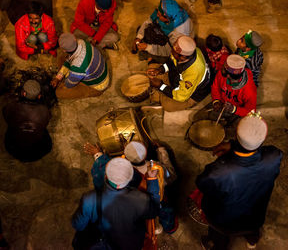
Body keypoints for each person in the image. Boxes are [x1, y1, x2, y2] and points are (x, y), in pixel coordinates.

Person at [196, 112, 282, 249]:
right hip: (255, 216)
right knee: (252, 229)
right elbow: (259, 152)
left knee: (219, 236)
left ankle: (218, 246)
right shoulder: (274, 156)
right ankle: (252, 241)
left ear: (236, 135)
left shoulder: (219, 171)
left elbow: (201, 183)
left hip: (224, 222)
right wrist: (233, 147)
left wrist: (231, 149)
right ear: (264, 138)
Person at [84, 140, 178, 235]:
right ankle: (170, 228)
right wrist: (161, 151)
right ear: (145, 156)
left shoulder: (110, 173)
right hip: (149, 210)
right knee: (164, 210)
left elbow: (101, 166)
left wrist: (98, 154)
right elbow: (172, 177)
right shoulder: (155, 169)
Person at [72, 157, 160, 250]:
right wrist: (152, 179)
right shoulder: (141, 199)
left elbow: (78, 225)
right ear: (129, 179)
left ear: (106, 176)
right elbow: (154, 211)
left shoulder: (89, 199)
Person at [147, 35, 210, 111]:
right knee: (152, 69)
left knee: (168, 106)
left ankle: (162, 93)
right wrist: (160, 70)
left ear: (182, 57)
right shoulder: (186, 52)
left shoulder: (194, 72)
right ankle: (163, 91)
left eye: (174, 52)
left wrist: (160, 86)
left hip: (191, 94)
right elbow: (171, 61)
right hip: (177, 79)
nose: (171, 52)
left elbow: (181, 96)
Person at [3, 80, 52, 162]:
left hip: (14, 150)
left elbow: (6, 117)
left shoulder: (11, 106)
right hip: (39, 151)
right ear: (39, 96)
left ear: (23, 93)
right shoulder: (45, 110)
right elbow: (47, 121)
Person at [51, 33, 110, 99]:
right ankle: (71, 77)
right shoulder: (81, 41)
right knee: (61, 58)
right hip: (97, 72)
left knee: (59, 93)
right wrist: (58, 77)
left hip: (98, 86)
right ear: (75, 39)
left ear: (64, 50)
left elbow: (69, 84)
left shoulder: (77, 67)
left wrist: (66, 76)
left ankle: (90, 90)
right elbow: (68, 60)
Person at [211, 54, 257, 124]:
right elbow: (215, 87)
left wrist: (234, 109)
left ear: (228, 75)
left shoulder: (249, 90)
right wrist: (216, 100)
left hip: (238, 111)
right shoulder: (221, 73)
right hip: (222, 104)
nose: (221, 69)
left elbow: (251, 112)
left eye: (223, 68)